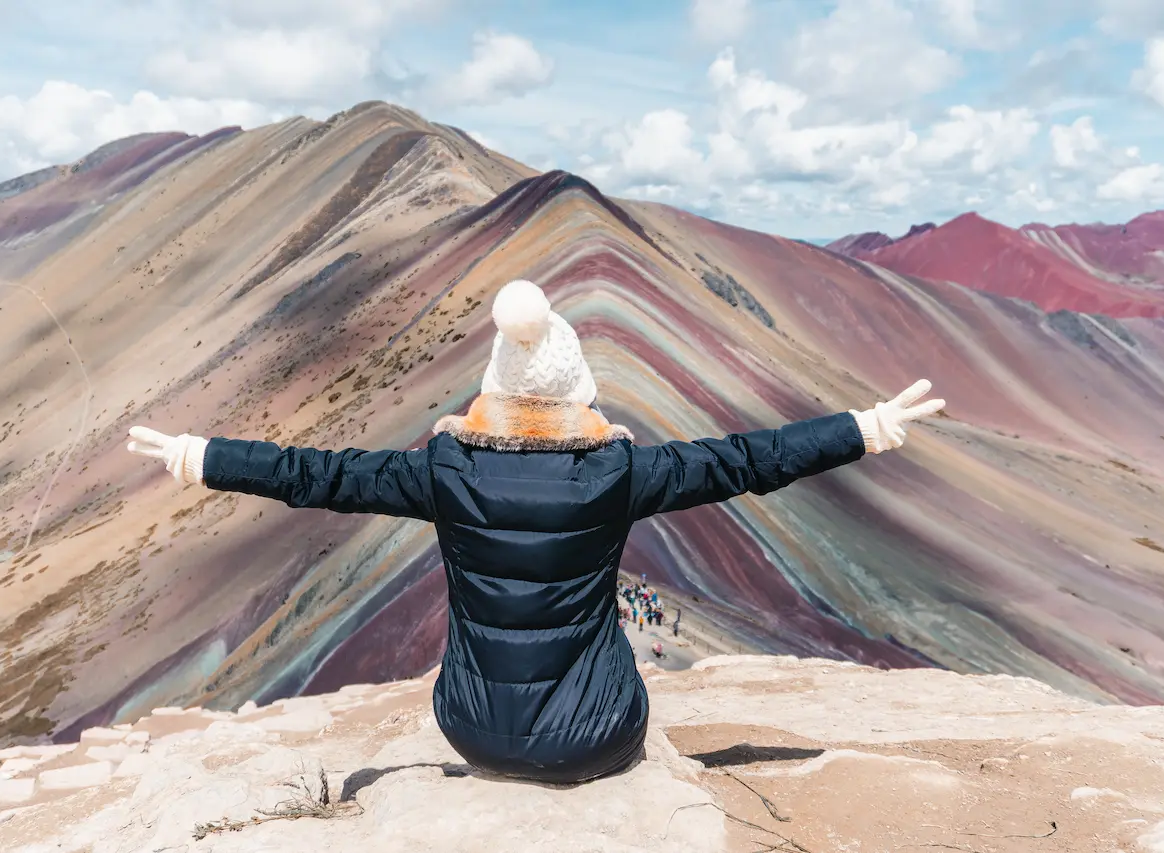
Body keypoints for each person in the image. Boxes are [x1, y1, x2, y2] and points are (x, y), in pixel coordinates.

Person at [125, 278, 944, 785]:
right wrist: (863, 427)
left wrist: (206, 455)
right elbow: (745, 460)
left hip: (471, 729)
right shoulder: (616, 475)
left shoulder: (446, 473)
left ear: (495, 388)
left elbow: (320, 474)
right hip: (596, 736)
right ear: (577, 389)